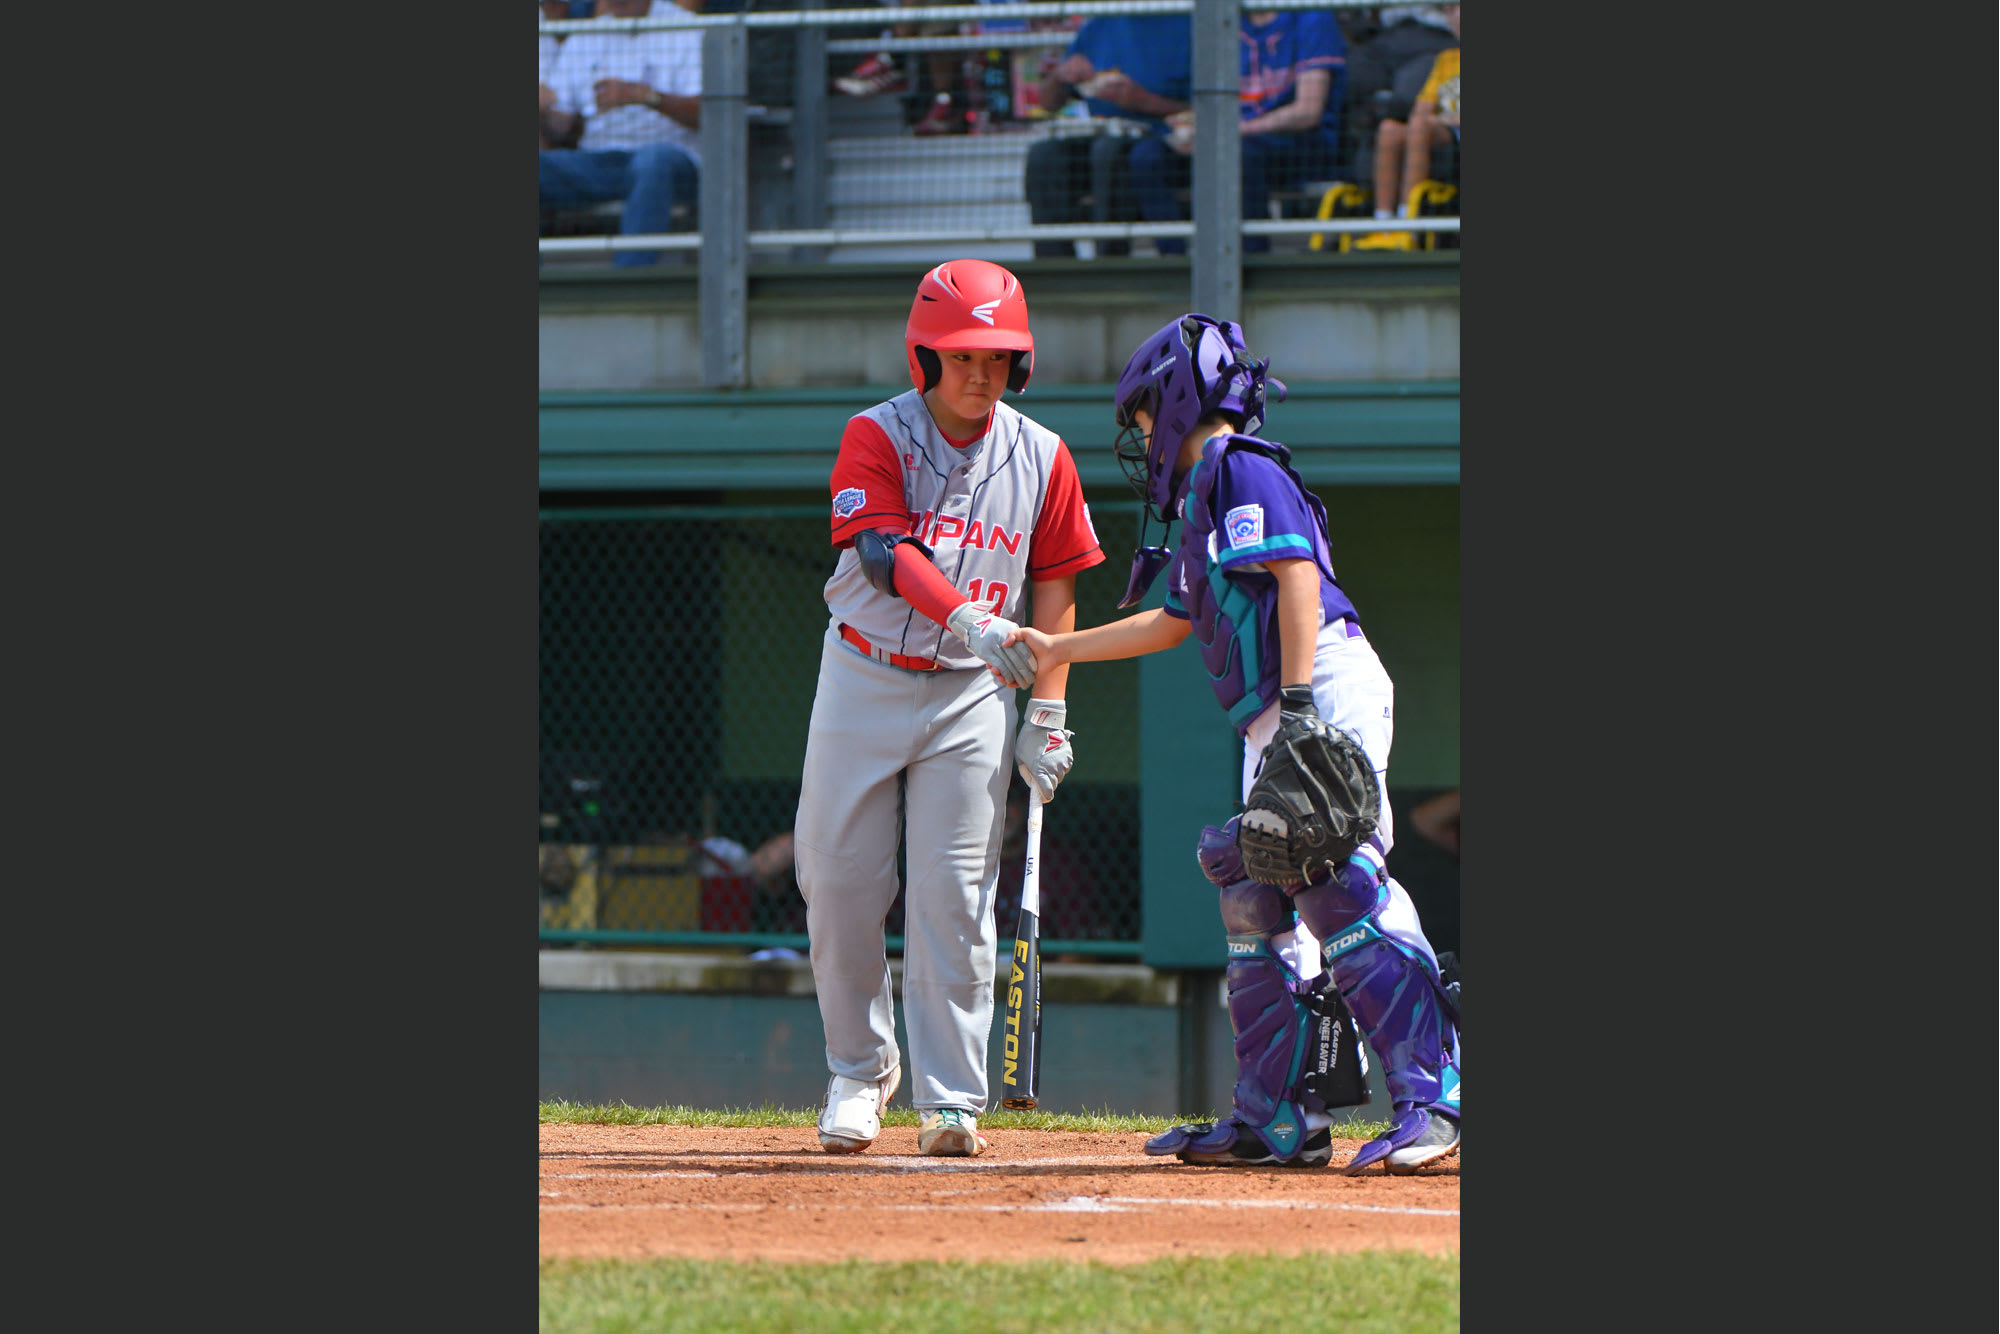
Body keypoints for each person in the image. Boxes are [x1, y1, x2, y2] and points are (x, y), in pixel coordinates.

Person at [1003, 313, 1460, 1175]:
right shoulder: (1205, 498)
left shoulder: (1242, 467)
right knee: (1252, 893)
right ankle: (1279, 1119)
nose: (1140, 434)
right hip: (1274, 711)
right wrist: (1060, 648)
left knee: (1339, 882)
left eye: (1142, 414)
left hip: (1318, 683)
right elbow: (1174, 622)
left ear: (1176, 397)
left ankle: (1436, 1090)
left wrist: (1295, 708)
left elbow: (1295, 577)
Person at [794, 259, 1106, 1159]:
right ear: (925, 354)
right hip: (864, 671)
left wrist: (1048, 711)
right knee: (839, 882)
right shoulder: (875, 434)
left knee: (956, 892)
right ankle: (859, 1071)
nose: (982, 373)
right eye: (964, 355)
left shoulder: (1043, 453)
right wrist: (966, 613)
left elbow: (1056, 586)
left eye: (1000, 356)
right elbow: (885, 549)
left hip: (973, 695)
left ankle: (952, 1100)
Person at [1130, 8, 1346, 255]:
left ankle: (1251, 259)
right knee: (1147, 156)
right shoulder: (1222, 20)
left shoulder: (1311, 16)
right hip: (1229, 138)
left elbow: (1308, 112)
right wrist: (1191, 128)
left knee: (1239, 155)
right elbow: (1207, 103)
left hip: (1298, 142)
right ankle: (1173, 259)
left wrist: (1235, 131)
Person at [538, 0, 704, 267]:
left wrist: (644, 96)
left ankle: (630, 279)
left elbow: (707, 113)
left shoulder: (686, 28)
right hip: (600, 162)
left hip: (672, 157)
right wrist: (545, 110)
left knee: (653, 162)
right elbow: (563, 128)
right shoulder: (586, 35)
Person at [1022, 15, 1192, 259]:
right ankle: (1056, 265)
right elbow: (1048, 103)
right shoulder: (1099, 24)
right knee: (1044, 155)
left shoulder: (1188, 24)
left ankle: (1109, 259)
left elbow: (1210, 106)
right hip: (1100, 134)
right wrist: (1061, 75)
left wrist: (1142, 101)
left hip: (1166, 141)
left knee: (1108, 151)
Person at [1353, 3, 1459, 252]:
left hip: (1448, 129)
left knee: (1420, 126)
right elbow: (1422, 108)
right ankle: (1385, 223)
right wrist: (1439, 119)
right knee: (1391, 128)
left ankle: (1408, 222)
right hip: (1443, 130)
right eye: (1450, 12)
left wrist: (1440, 119)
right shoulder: (1446, 59)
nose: (1455, 17)